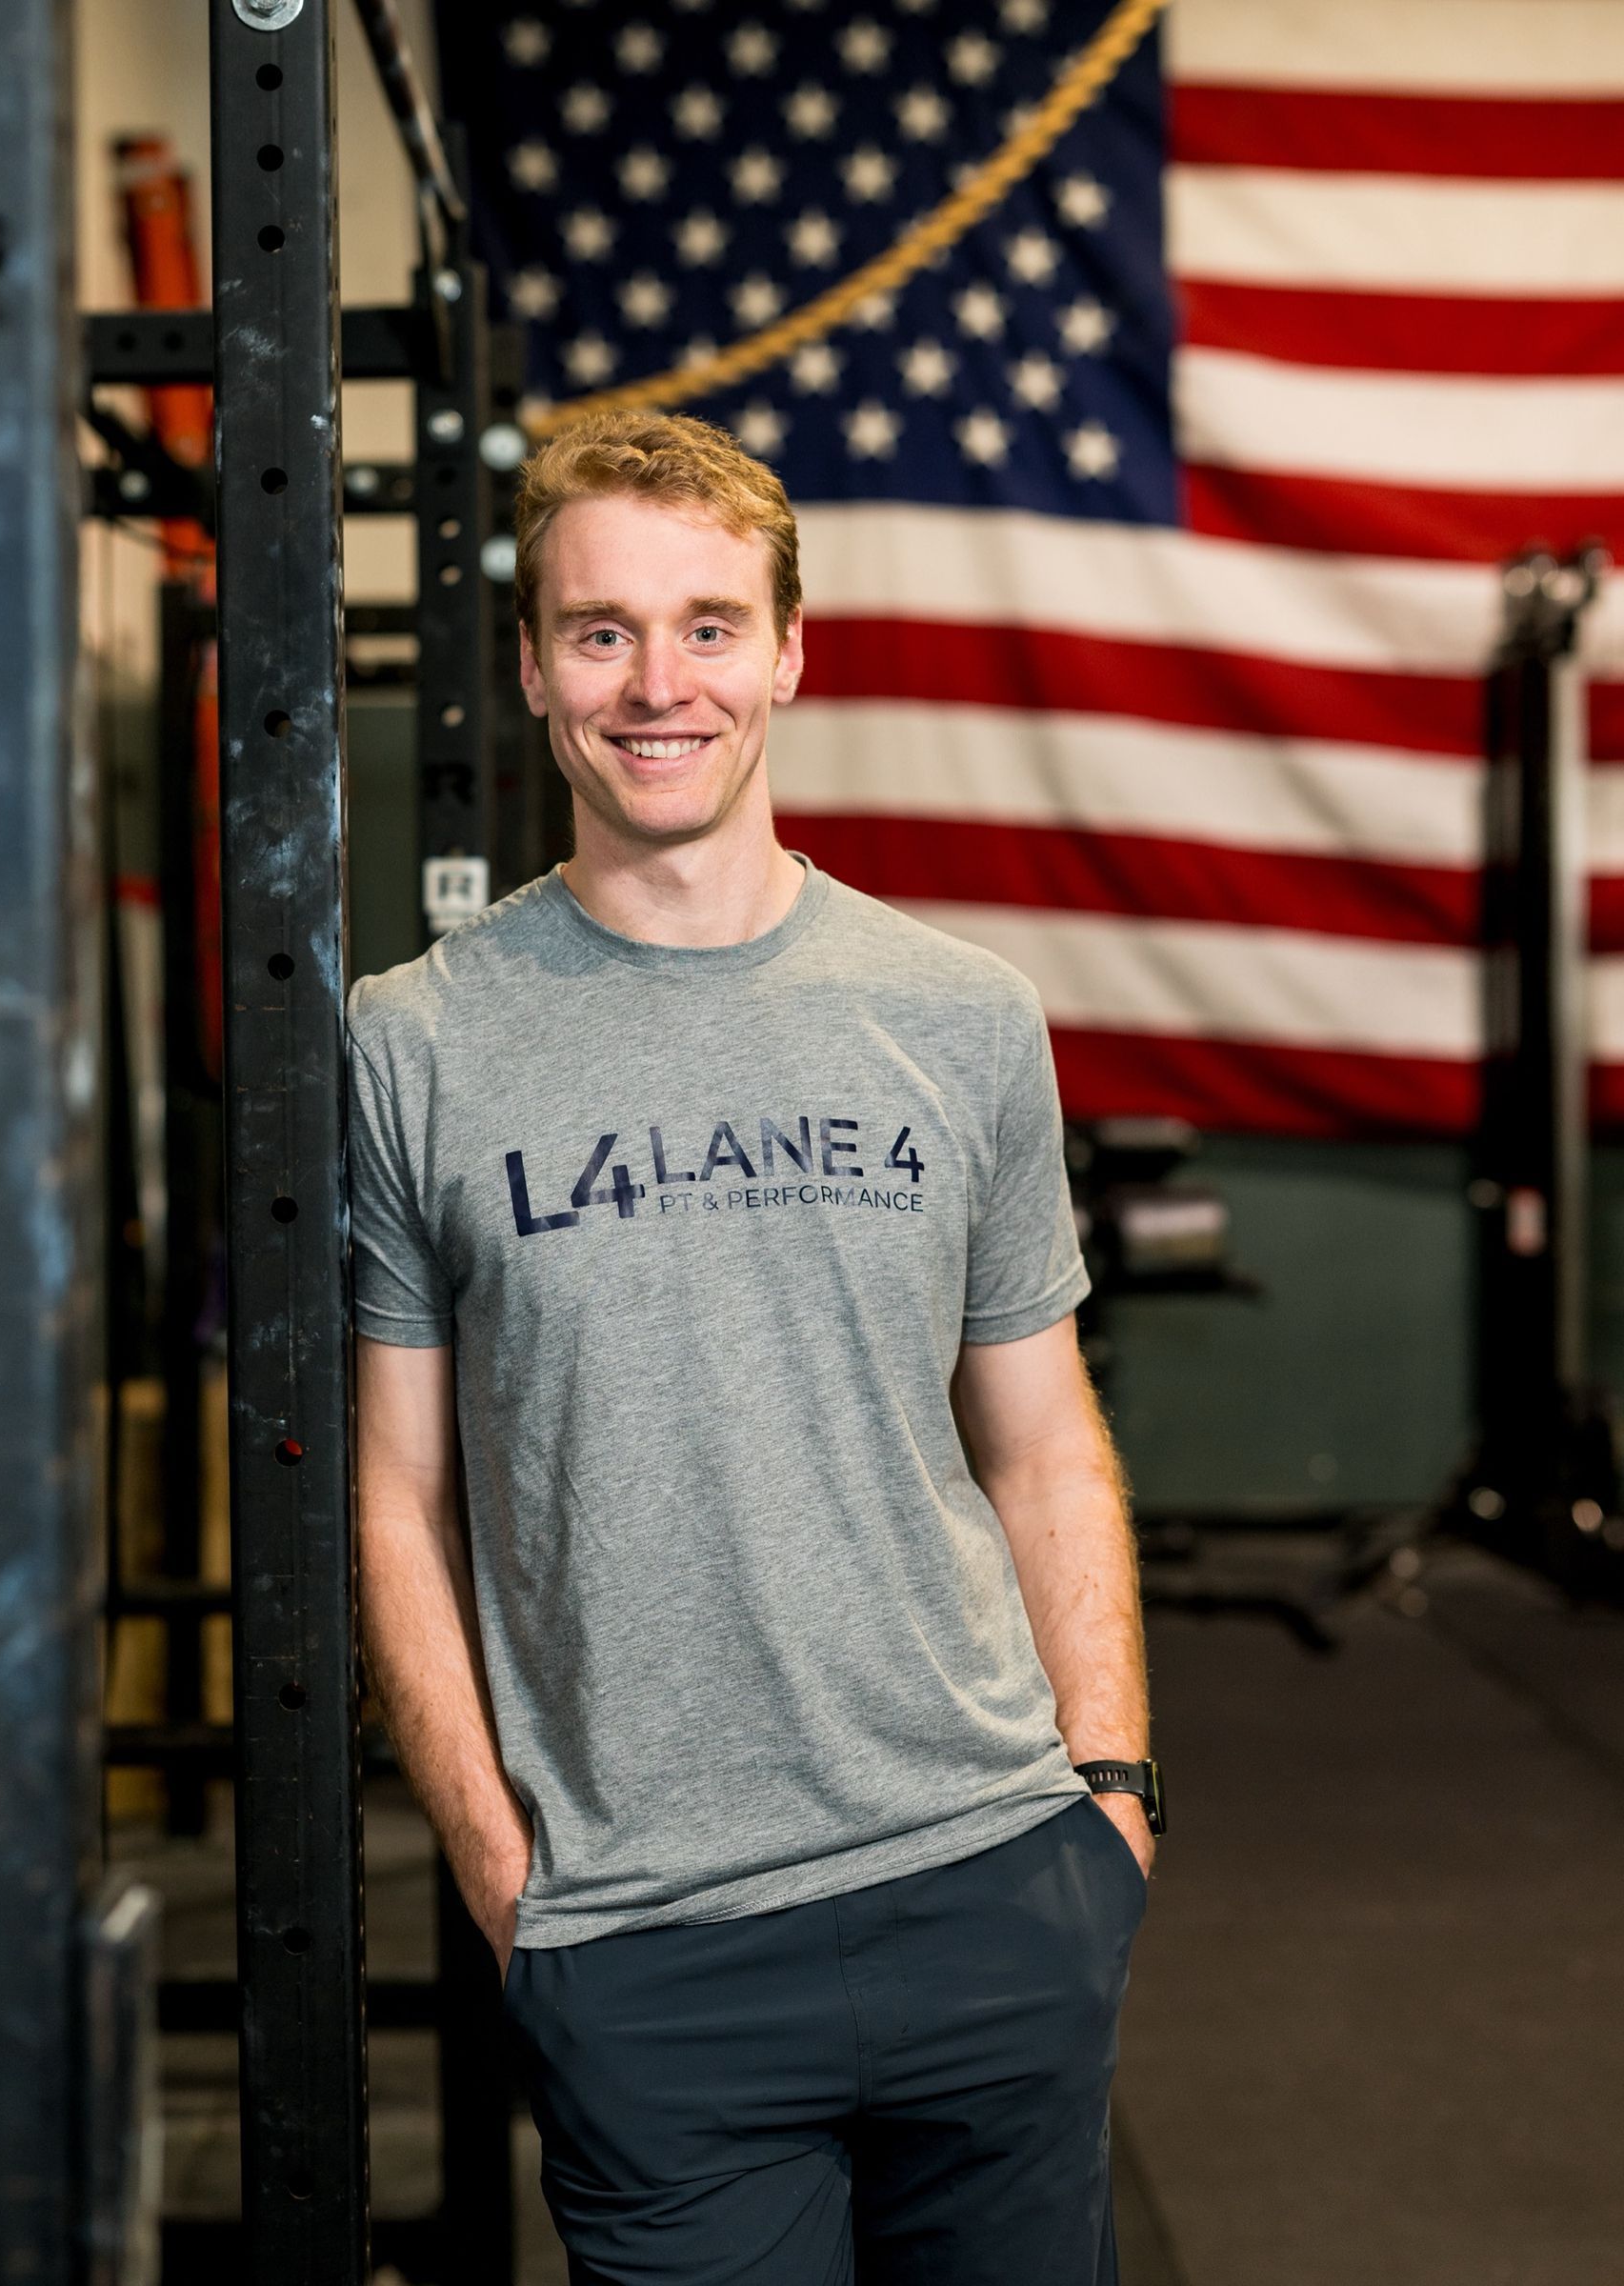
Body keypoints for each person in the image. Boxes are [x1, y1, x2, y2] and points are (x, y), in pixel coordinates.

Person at [347, 409, 1161, 2283]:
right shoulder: (417, 1043)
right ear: (535, 664)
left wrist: (1106, 1798)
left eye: (710, 625)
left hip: (992, 1886)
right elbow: (399, 1502)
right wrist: (499, 1871)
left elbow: (1041, 1443)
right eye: (605, 630)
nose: (660, 684)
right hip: (644, 1946)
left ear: (788, 654)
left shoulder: (961, 1018)